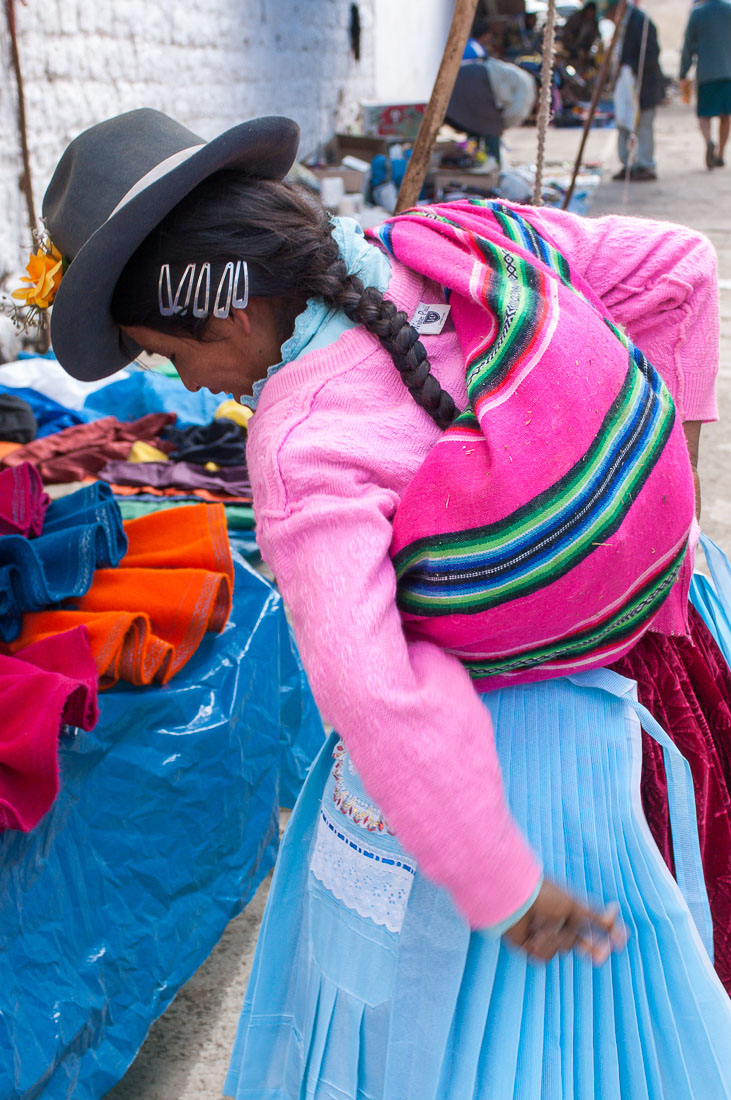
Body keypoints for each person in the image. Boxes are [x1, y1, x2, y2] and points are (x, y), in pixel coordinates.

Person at [39, 109, 731, 1098]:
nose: (185, 380)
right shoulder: (458, 240)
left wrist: (499, 882)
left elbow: (376, 692)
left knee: (490, 1052)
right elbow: (676, 268)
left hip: (516, 787)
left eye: (164, 353)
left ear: (226, 312)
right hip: (668, 678)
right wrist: (651, 484)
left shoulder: (300, 439)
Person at [607, 0, 665, 181]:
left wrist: (629, 69)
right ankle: (628, 163)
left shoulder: (641, 22)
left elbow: (651, 53)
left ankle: (645, 164)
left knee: (643, 125)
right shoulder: (623, 23)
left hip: (644, 84)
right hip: (626, 86)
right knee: (624, 123)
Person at [680, 0, 731, 169]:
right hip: (728, 71)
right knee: (726, 115)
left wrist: (683, 72)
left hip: (706, 73)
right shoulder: (729, 9)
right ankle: (720, 154)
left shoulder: (697, 13)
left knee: (704, 115)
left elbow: (687, 46)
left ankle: (709, 140)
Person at [559, 1, 600, 66]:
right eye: (589, 11)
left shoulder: (594, 24)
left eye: (592, 12)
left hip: (583, 48)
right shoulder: (577, 17)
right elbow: (567, 30)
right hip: (570, 45)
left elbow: (595, 37)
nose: (590, 14)